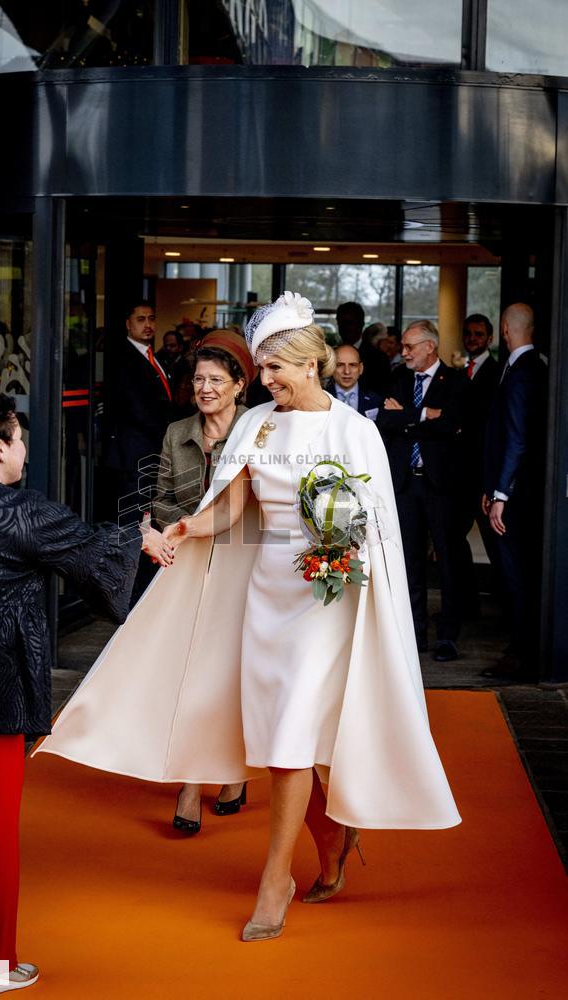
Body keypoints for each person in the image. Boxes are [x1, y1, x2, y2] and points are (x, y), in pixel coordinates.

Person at [37, 292, 460, 943]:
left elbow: (373, 527)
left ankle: (275, 879)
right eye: (260, 370)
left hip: (327, 600)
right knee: (286, 746)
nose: (264, 381)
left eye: (273, 369)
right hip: (266, 602)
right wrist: (186, 523)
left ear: (309, 361)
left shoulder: (355, 431)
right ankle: (334, 836)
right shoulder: (257, 424)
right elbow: (231, 508)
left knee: (291, 736)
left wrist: (336, 553)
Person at [0, 389, 172, 999]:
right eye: (18, 438)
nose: (24, 452)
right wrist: (142, 536)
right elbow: (92, 547)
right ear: (0, 446)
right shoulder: (17, 510)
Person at [153, 330, 253, 833]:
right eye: (198, 379)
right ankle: (192, 782)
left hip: (245, 564)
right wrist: (188, 524)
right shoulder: (176, 433)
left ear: (239, 384)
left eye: (216, 379)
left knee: (234, 672)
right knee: (191, 671)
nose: (205, 388)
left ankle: (233, 772)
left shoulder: (261, 432)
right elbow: (163, 498)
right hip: (192, 561)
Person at [377, 320, 470, 662]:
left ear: (430, 346)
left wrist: (410, 419)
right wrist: (426, 415)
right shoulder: (399, 379)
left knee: (447, 562)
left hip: (440, 485)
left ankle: (448, 636)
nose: (403, 353)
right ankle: (415, 635)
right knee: (409, 561)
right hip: (405, 484)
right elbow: (386, 422)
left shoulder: (456, 382)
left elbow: (454, 426)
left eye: (409, 346)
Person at [482, 303, 548, 680]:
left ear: (506, 329)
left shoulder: (522, 373)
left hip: (517, 496)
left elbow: (517, 439)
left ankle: (521, 654)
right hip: (514, 490)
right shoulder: (532, 367)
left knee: (516, 574)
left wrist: (501, 494)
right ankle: (521, 648)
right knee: (517, 572)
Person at [102, 300, 173, 525]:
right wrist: (169, 434)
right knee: (134, 514)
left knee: (146, 512)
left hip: (149, 448)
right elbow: (136, 408)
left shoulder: (152, 355)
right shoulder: (124, 358)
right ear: (127, 324)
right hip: (134, 451)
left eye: (151, 319)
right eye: (140, 319)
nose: (148, 324)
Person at [457, 314, 502, 615]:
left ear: (490, 338)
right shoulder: (457, 373)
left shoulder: (497, 372)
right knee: (456, 540)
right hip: (458, 474)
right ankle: (467, 603)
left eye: (479, 334)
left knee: (495, 544)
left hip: (483, 472)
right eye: (469, 334)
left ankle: (503, 607)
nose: (473, 338)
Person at [336, 301, 390, 395]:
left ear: (361, 324)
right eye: (343, 322)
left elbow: (382, 393)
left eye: (351, 322)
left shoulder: (378, 358)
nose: (346, 327)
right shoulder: (330, 355)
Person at [326, 344, 383, 419]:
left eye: (353, 365)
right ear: (331, 367)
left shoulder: (376, 400)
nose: (347, 371)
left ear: (361, 368)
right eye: (340, 365)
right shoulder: (321, 399)